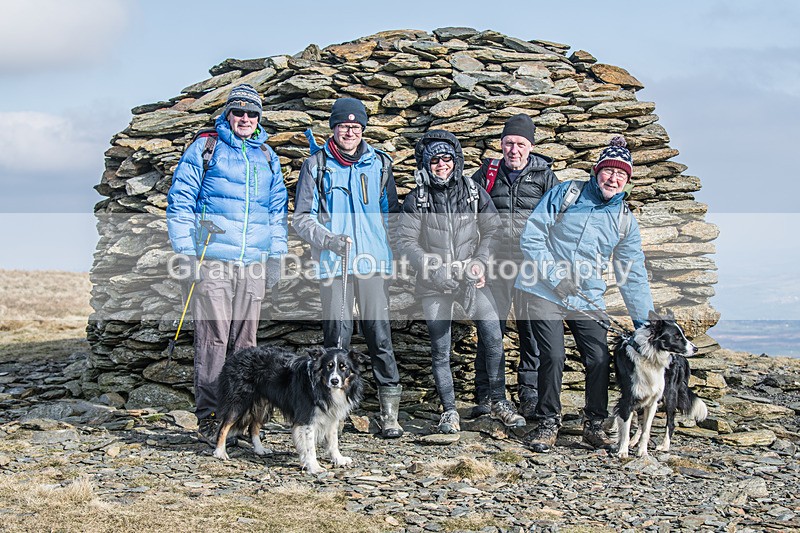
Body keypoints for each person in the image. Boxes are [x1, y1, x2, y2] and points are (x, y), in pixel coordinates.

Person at [166, 84, 288, 444]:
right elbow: (180, 201)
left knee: (246, 344)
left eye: (252, 113)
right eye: (239, 112)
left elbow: (277, 211)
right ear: (228, 114)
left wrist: (276, 255)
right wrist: (186, 252)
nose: (245, 118)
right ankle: (209, 418)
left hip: (253, 263)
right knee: (213, 340)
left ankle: (239, 418)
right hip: (213, 259)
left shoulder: (267, 156)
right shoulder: (206, 148)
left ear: (259, 118)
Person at [515, 135, 654, 452]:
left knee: (599, 357)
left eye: (621, 174)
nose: (613, 178)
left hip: (586, 296)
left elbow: (632, 275)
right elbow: (533, 236)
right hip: (542, 289)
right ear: (596, 171)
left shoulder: (624, 220)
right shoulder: (567, 193)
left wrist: (645, 326)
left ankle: (594, 425)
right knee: (553, 355)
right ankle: (548, 423)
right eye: (609, 171)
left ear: (627, 181)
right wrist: (555, 276)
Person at [396, 129, 526, 434]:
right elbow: (404, 241)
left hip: (470, 279)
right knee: (440, 348)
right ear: (426, 164)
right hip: (434, 284)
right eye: (434, 161)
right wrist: (432, 267)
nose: (441, 165)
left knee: (493, 334)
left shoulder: (473, 192)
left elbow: (492, 230)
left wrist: (480, 262)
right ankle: (449, 411)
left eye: (446, 159)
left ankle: (498, 401)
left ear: (456, 160)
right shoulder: (418, 198)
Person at [293, 97, 404, 439]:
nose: (350, 132)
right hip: (334, 264)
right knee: (337, 339)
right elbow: (301, 218)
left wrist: (393, 257)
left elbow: (391, 216)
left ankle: (389, 415)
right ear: (334, 128)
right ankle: (331, 413)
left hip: (373, 263)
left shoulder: (380, 164)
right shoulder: (316, 165)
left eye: (356, 127)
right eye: (344, 126)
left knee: (379, 336)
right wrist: (328, 240)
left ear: (363, 130)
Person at [469, 113, 559, 419]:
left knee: (531, 331)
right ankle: (486, 394)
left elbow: (560, 223)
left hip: (531, 268)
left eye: (520, 144)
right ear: (501, 144)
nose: (514, 150)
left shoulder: (545, 177)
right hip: (494, 266)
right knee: (490, 329)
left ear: (530, 146)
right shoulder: (487, 174)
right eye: (509, 143)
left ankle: (529, 394)